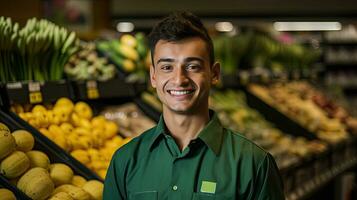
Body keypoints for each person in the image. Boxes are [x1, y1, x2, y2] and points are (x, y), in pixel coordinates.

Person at [104, 11, 285, 200]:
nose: (179, 79)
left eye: (192, 66)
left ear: (214, 74)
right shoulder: (125, 161)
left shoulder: (253, 163)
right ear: (153, 76)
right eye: (167, 67)